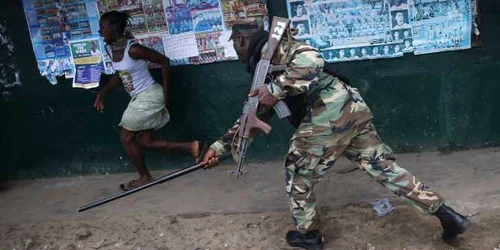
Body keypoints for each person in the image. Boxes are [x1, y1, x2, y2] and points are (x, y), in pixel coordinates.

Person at [201, 18, 470, 250]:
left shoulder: (277, 48)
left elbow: (312, 60)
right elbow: (255, 115)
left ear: (240, 39)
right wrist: (220, 148)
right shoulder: (261, 68)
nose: (234, 50)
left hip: (328, 112)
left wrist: (276, 89)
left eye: (233, 43)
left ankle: (308, 235)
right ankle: (447, 215)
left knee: (297, 171)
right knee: (383, 168)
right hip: (350, 110)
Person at [95, 11, 207, 191]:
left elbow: (164, 61)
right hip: (138, 99)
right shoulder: (110, 49)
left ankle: (145, 177)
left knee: (126, 137)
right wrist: (104, 92)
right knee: (145, 141)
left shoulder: (133, 49)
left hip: (150, 96)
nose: (100, 31)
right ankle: (193, 147)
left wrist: (166, 94)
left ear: (113, 27)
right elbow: (120, 74)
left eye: (102, 27)